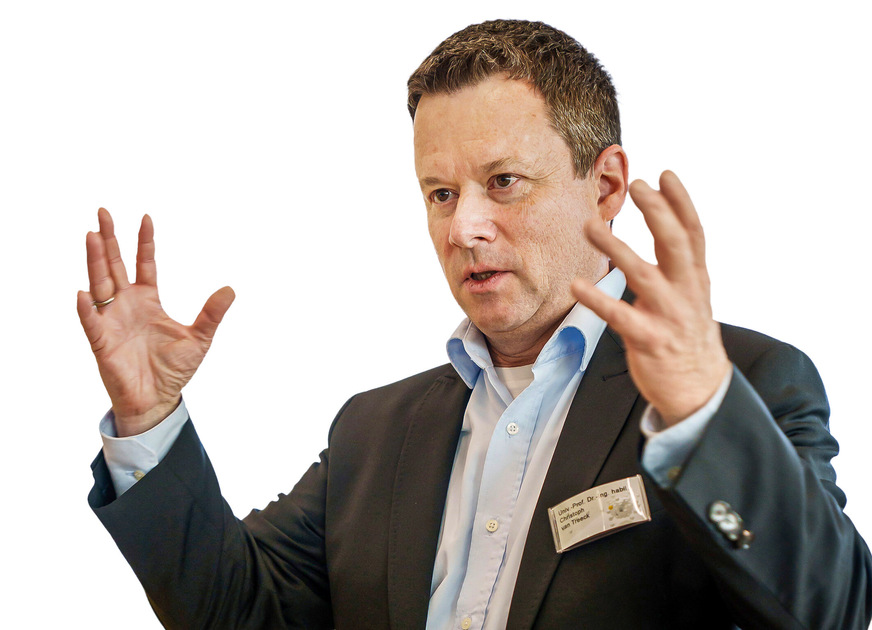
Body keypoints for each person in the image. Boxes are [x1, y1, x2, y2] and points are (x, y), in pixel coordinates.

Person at [79, 19, 872, 629]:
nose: (464, 229)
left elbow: (830, 612)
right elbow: (236, 610)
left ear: (605, 187)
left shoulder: (745, 386)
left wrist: (702, 411)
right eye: (441, 194)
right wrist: (150, 421)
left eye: (503, 182)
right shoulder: (374, 431)